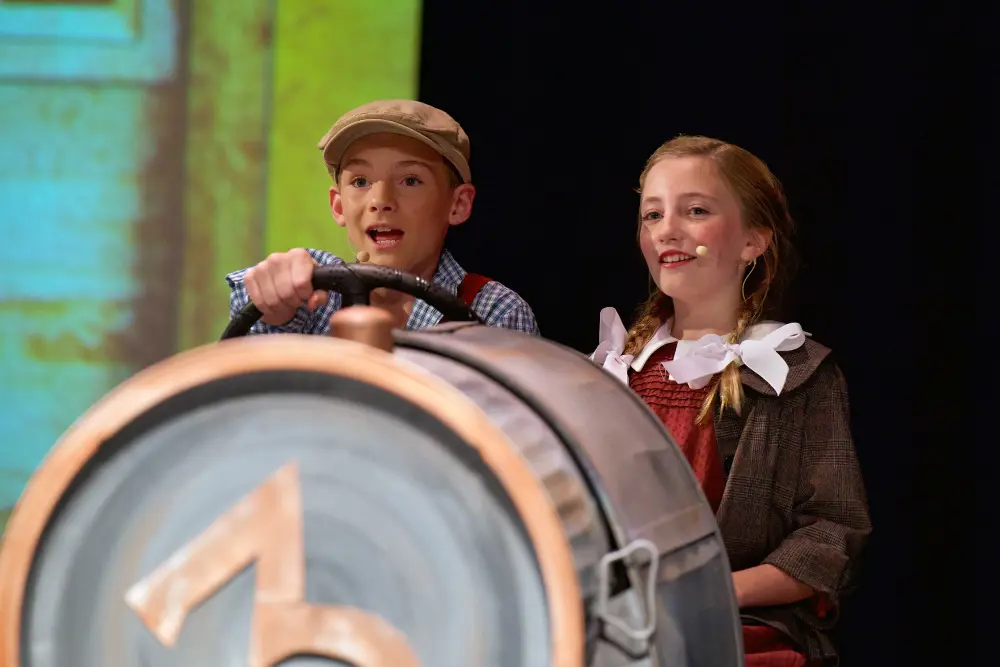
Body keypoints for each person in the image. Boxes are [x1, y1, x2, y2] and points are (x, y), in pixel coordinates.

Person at [591, 135, 871, 666]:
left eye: (695, 210)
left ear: (753, 241)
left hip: (737, 633)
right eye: (652, 215)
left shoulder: (791, 372)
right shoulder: (609, 372)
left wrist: (720, 592)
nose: (666, 229)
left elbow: (832, 532)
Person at [226, 100, 539, 335]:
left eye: (410, 180)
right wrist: (276, 302)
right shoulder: (315, 299)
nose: (381, 201)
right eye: (360, 182)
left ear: (457, 204)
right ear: (338, 206)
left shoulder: (495, 313)